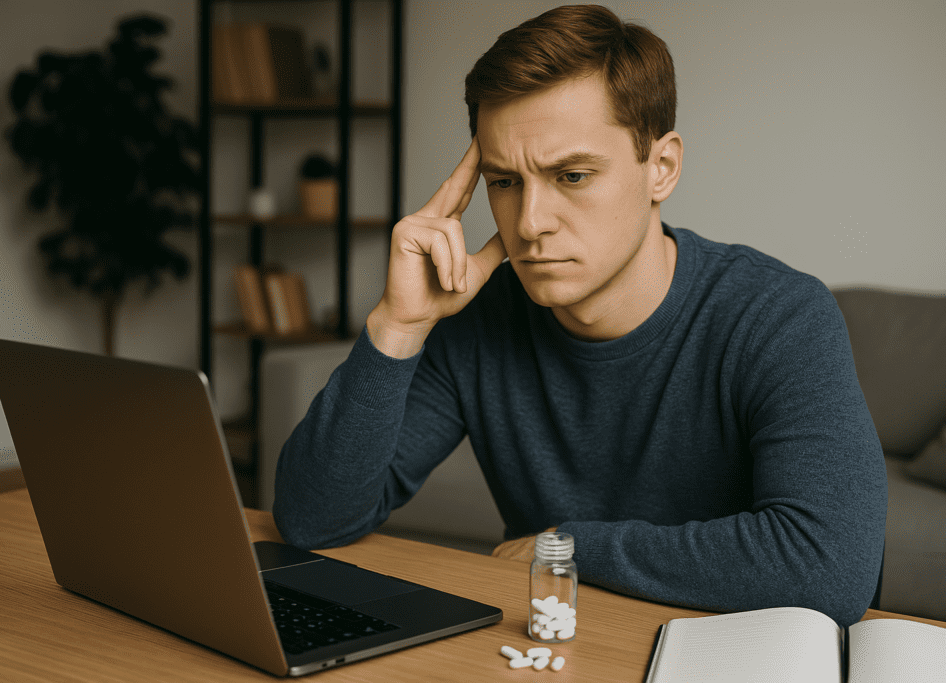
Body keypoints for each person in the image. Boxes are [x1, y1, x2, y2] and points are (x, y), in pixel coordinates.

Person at [273, 4, 887, 628]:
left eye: (571, 175)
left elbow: (829, 568)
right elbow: (314, 520)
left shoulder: (778, 316)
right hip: (550, 645)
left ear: (662, 168)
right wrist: (397, 328)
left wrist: (565, 546)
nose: (530, 222)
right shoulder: (476, 318)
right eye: (504, 182)